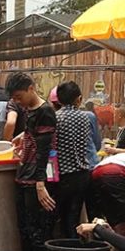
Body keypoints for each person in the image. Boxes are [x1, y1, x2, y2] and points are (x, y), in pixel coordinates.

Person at [8, 73, 57, 251]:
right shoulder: (30, 109)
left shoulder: (45, 111)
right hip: (24, 174)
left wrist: (40, 183)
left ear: (31, 88)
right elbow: (33, 135)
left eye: (19, 97)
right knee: (24, 226)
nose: (18, 102)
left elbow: (44, 150)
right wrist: (24, 137)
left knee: (36, 229)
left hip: (34, 178)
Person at [52, 82, 96, 239]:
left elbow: (51, 148)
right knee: (74, 217)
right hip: (82, 174)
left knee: (59, 218)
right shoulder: (86, 117)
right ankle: (74, 248)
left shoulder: (55, 118)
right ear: (79, 99)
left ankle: (61, 250)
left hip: (62, 177)